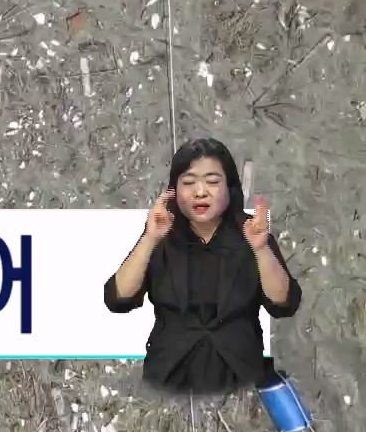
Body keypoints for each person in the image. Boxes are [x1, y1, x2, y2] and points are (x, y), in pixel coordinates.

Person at [104, 138, 300, 394]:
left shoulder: (252, 234)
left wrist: (261, 248)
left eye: (212, 182)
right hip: (169, 375)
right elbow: (118, 299)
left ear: (230, 187)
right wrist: (149, 237)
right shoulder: (160, 238)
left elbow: (283, 304)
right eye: (188, 183)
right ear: (174, 190)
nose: (200, 192)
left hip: (242, 376)